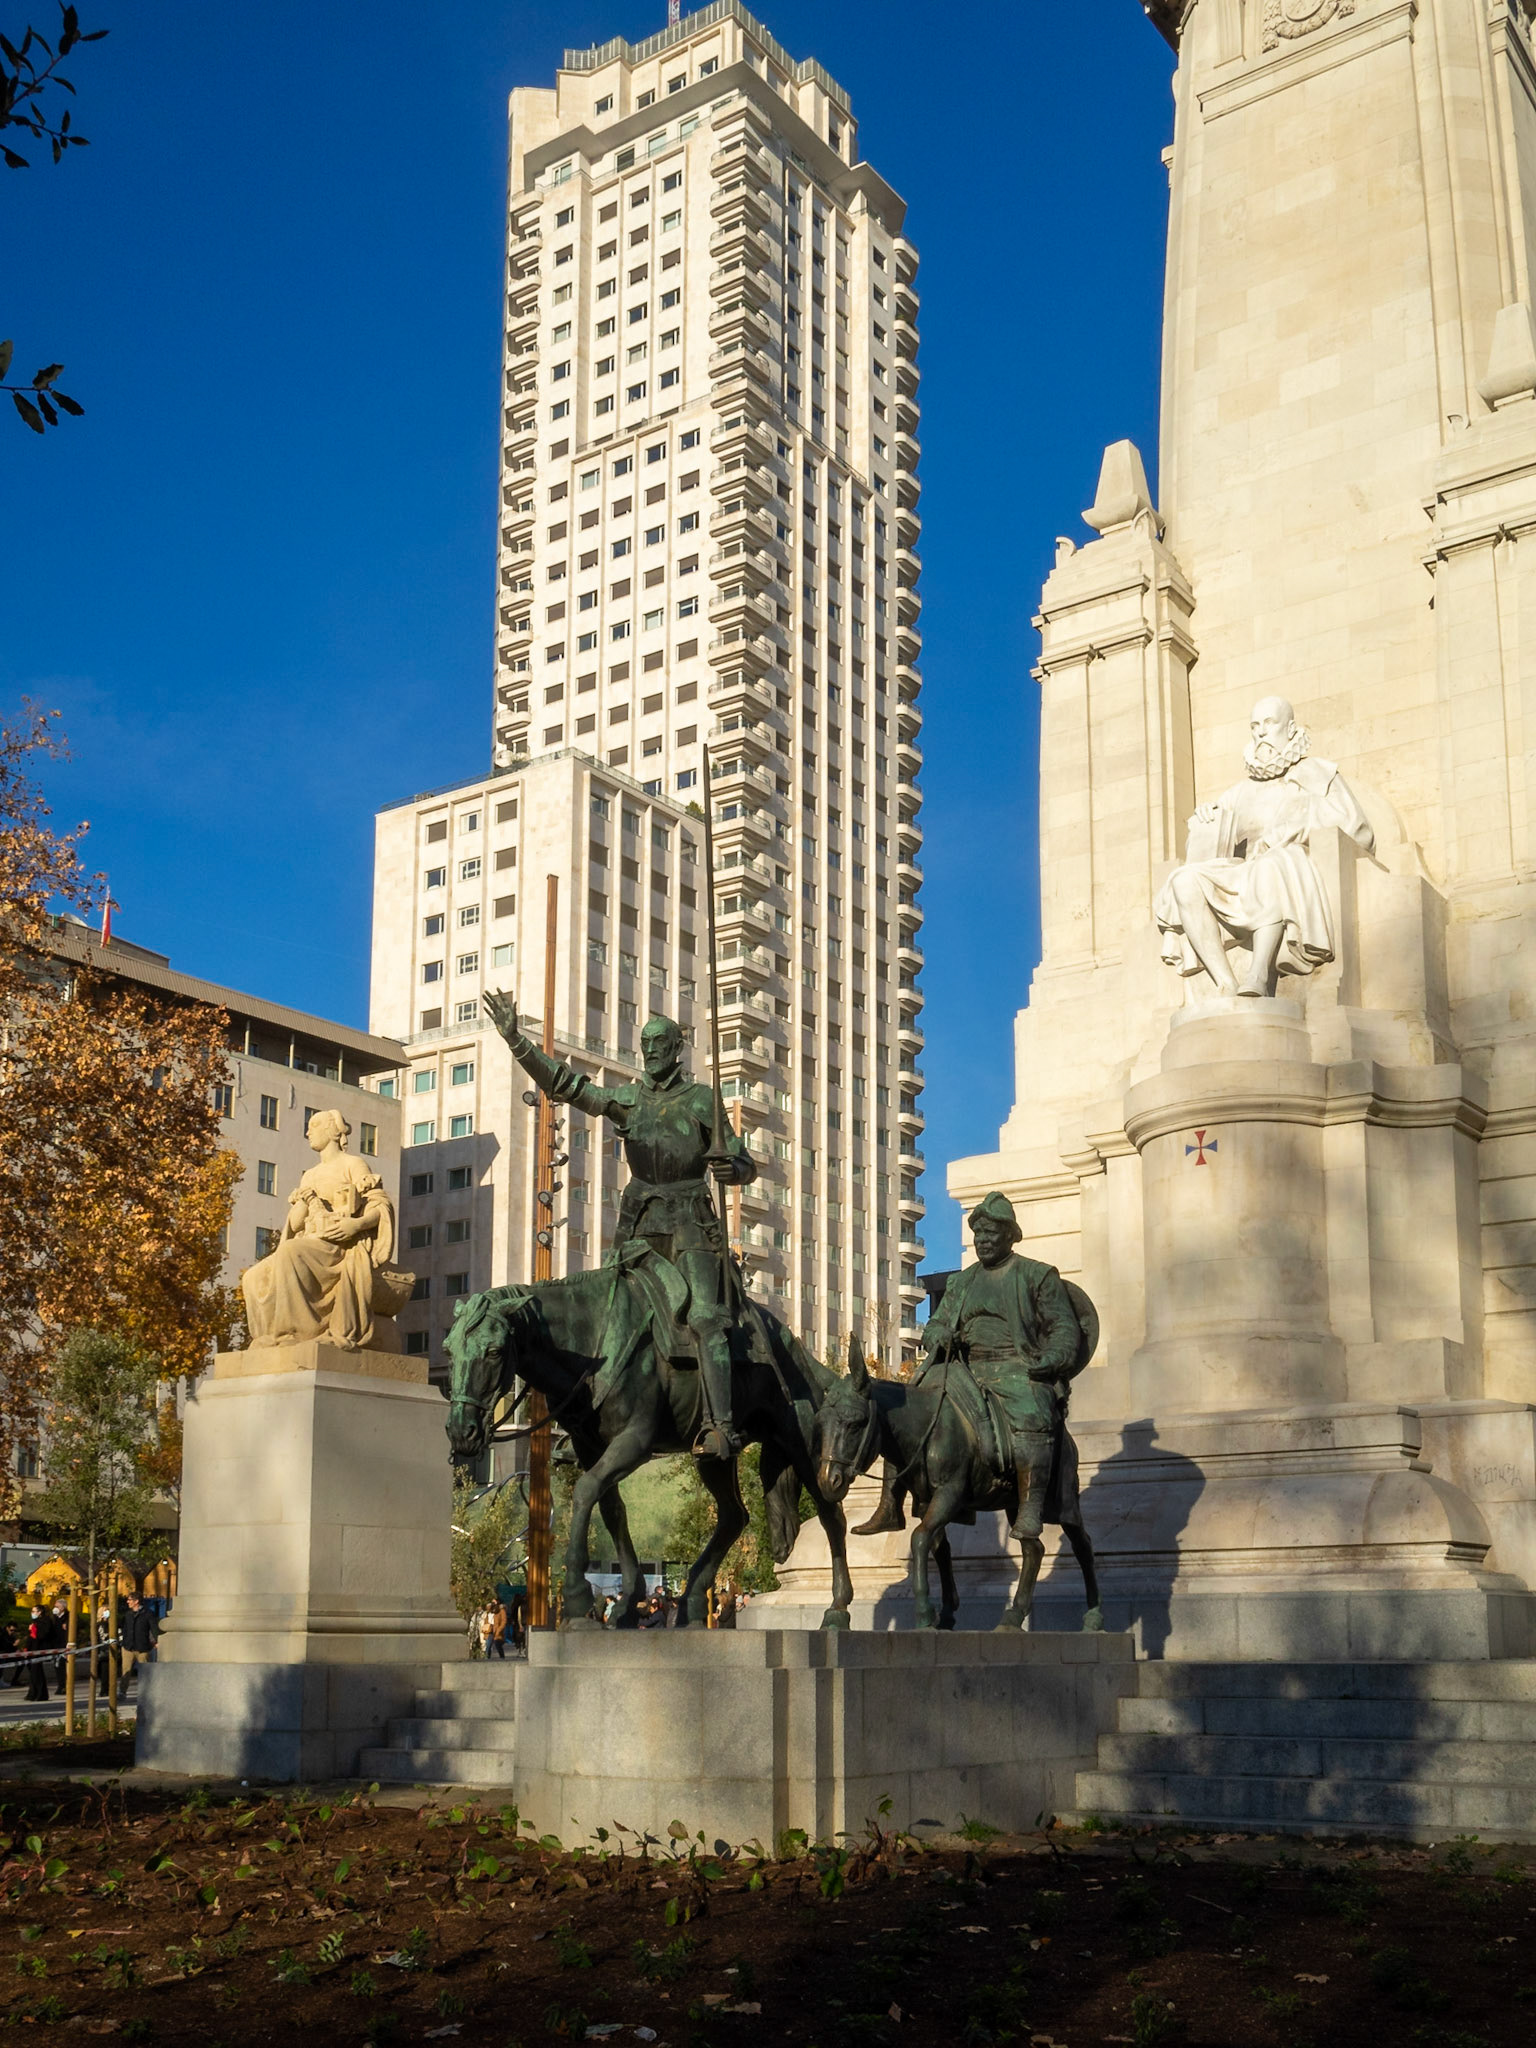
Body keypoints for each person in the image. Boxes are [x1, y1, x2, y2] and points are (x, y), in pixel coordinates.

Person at [485, 994, 757, 1461]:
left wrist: (734, 1167)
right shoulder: (630, 1098)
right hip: (639, 1224)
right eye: (645, 1043)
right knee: (605, 1312)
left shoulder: (700, 1100)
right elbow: (569, 1086)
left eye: (660, 1044)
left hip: (691, 1223)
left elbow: (743, 1161)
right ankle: (590, 1423)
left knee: (706, 1319)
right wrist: (517, 1042)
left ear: (676, 1050)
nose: (650, 1051)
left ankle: (721, 1426)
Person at [1154, 696, 1375, 997]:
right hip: (1243, 875)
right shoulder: (1240, 792)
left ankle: (1258, 976)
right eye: (1255, 725)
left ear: (1291, 728)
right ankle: (1225, 982)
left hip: (1287, 865)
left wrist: (1297, 826)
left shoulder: (1317, 774)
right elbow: (1210, 847)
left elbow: (1357, 828)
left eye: (1269, 723)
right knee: (1183, 880)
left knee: (1272, 864)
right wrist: (1206, 821)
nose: (1261, 732)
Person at [242, 1109, 410, 1351]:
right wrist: (301, 1205)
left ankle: (297, 1332)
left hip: (340, 1246)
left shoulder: (353, 1164)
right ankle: (267, 1337)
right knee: (253, 1276)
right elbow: (297, 1224)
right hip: (311, 1241)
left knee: (292, 1253)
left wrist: (356, 1224)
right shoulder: (309, 1175)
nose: (308, 1131)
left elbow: (379, 1204)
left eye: (314, 1125)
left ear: (332, 1131)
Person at [118, 1593, 159, 1690]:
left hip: (142, 1647)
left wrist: (157, 1641)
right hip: (128, 1647)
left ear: (136, 1601)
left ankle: (145, 1691)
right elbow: (124, 1628)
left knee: (145, 1671)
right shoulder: (128, 1614)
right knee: (125, 1671)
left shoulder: (148, 1614)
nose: (128, 1602)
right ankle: (122, 1691)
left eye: (130, 1600)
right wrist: (122, 1641)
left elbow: (154, 1628)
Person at [24, 1604, 50, 1703]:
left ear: (39, 1612)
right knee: (33, 1673)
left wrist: (33, 1629)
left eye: (34, 1611)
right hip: (32, 1649)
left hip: (38, 1649)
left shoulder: (45, 1621)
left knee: (37, 1673)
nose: (32, 1613)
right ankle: (34, 1693)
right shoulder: (35, 1622)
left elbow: (41, 1635)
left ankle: (39, 1694)